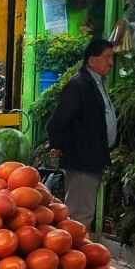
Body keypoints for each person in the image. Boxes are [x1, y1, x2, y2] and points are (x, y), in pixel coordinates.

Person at [47, 38, 116, 232]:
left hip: (92, 157)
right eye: (107, 57)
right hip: (82, 159)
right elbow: (57, 121)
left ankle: (76, 256)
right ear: (92, 60)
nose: (110, 62)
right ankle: (72, 258)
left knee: (83, 211)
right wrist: (59, 146)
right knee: (79, 214)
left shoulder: (96, 83)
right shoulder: (78, 85)